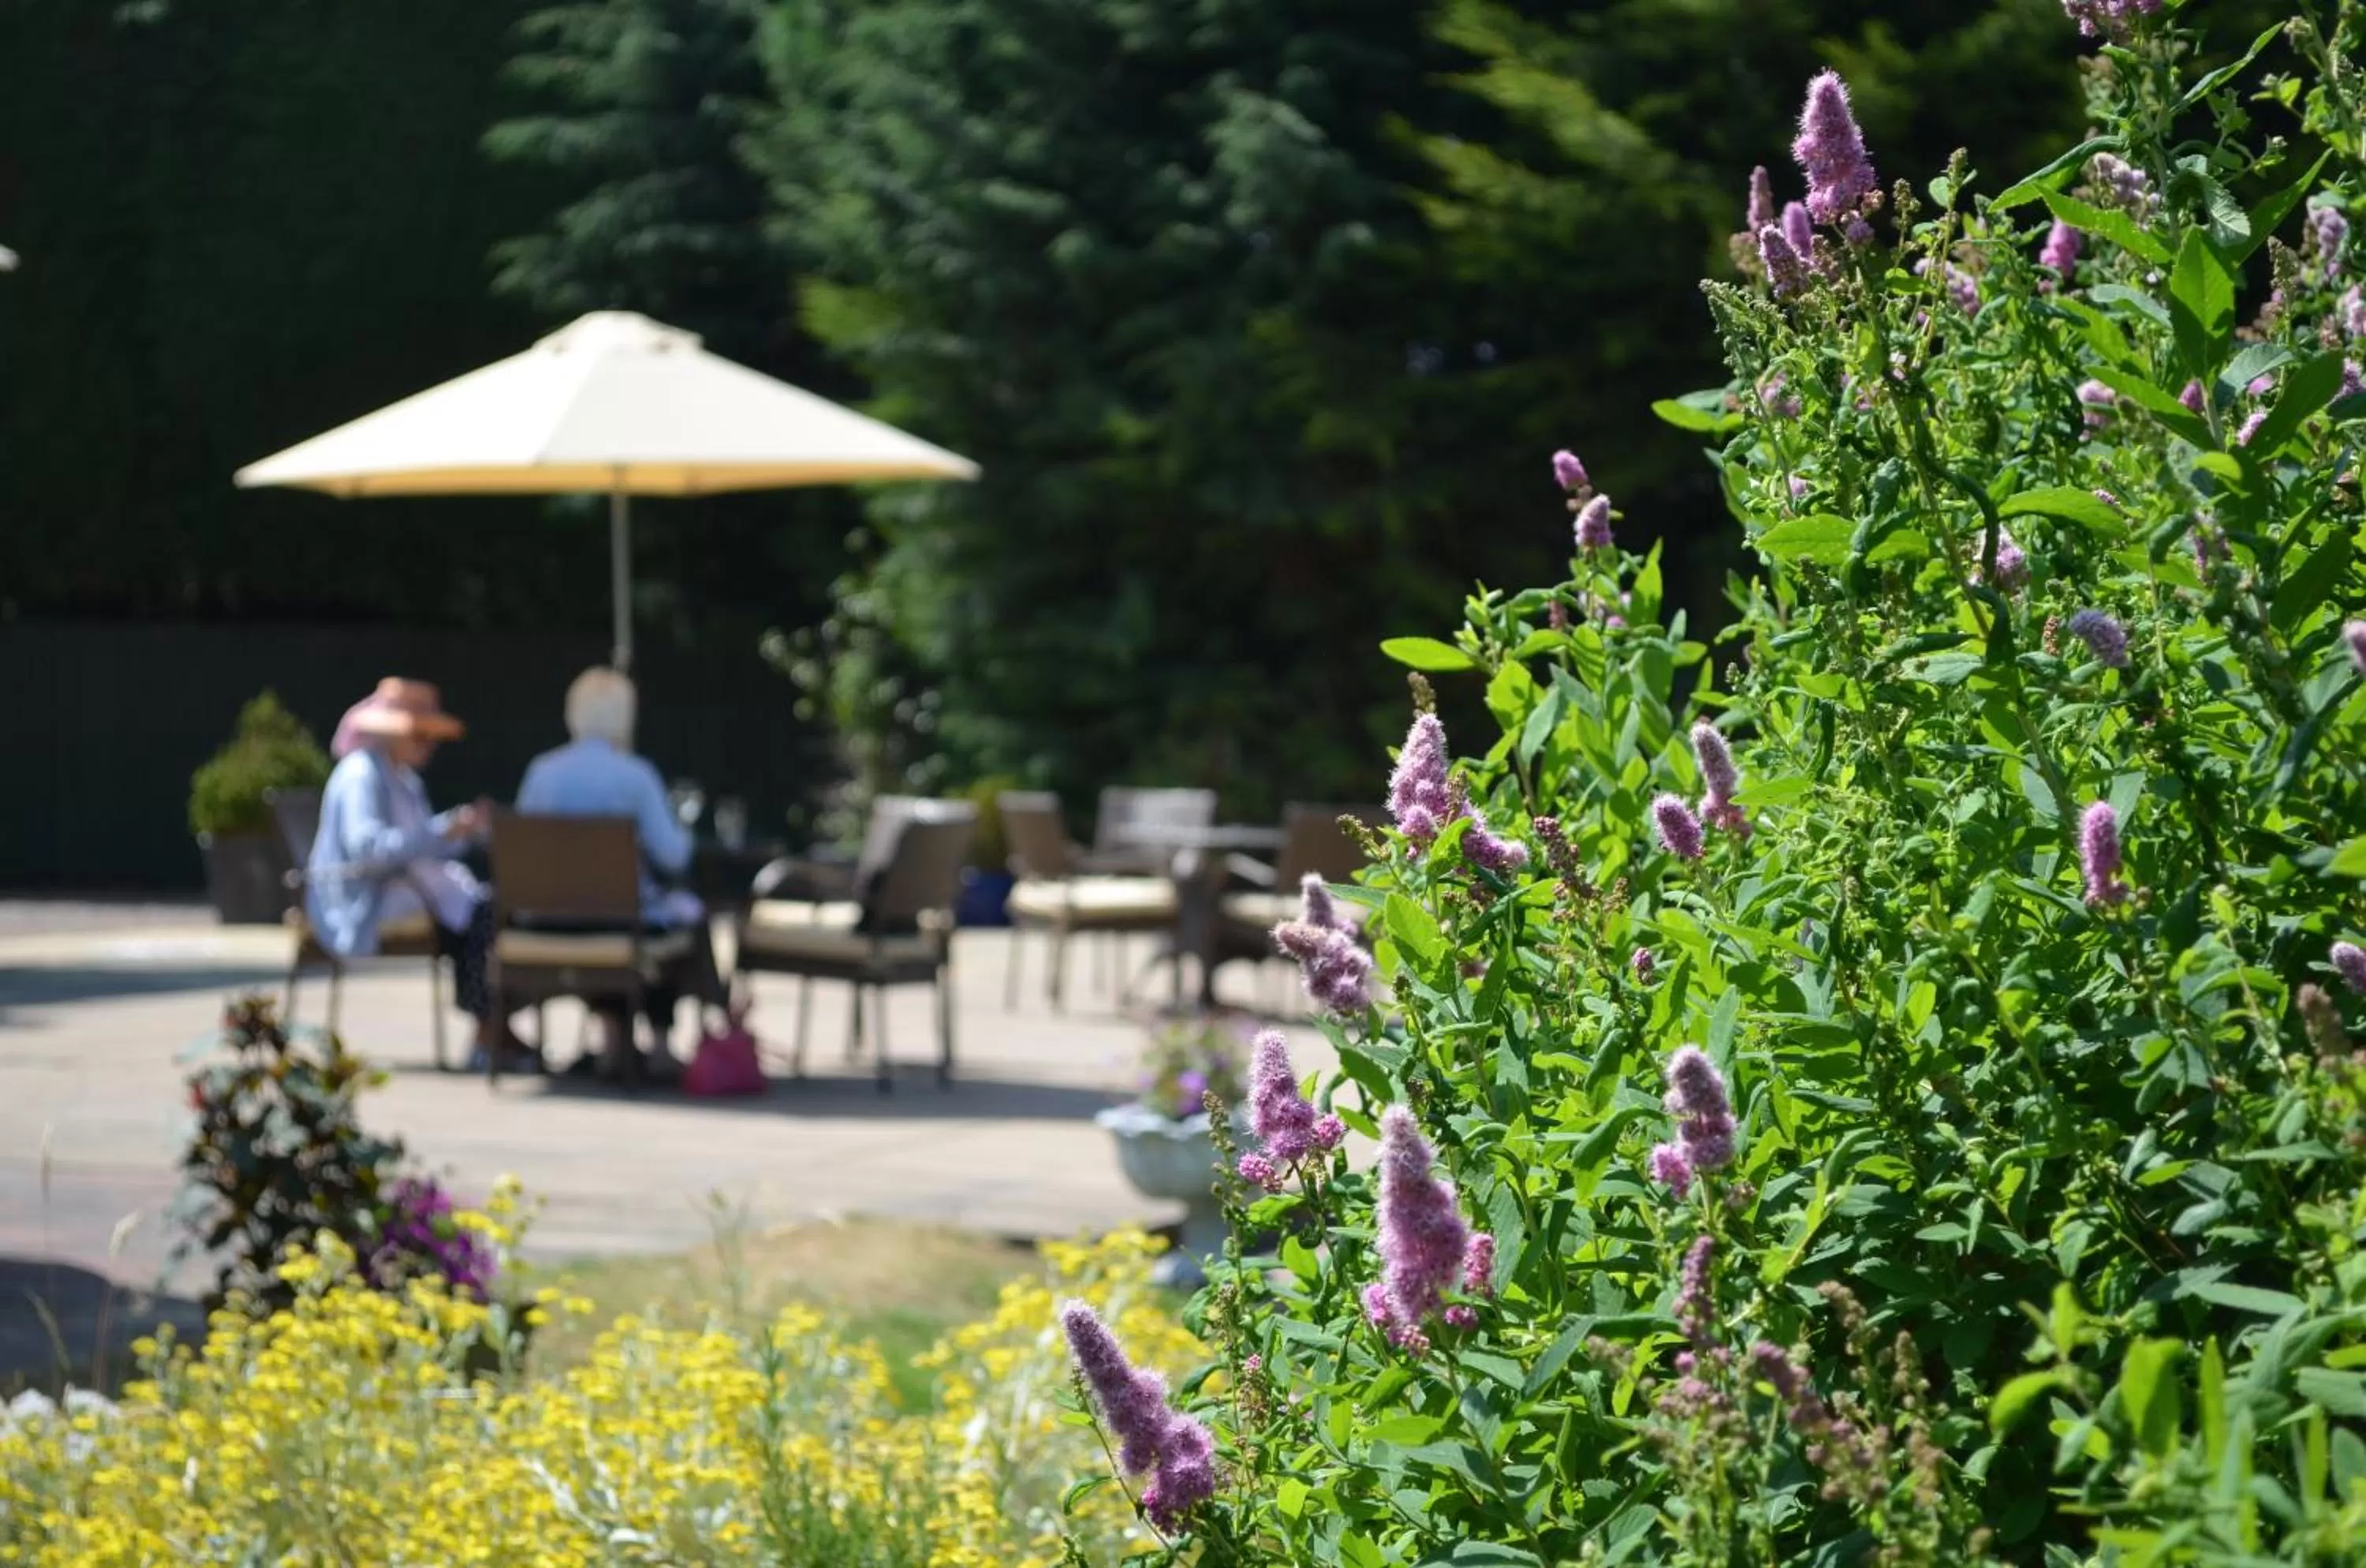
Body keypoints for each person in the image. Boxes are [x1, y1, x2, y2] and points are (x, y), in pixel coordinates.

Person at [307, 678, 529, 1070]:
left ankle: (493, 1026)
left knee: (484, 911)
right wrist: (441, 830)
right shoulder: (362, 774)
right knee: (480, 918)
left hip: (401, 890)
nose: (430, 744)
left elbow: (420, 845)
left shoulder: (403, 779)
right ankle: (488, 1030)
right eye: (420, 735)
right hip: (363, 901)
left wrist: (461, 829)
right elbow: (370, 851)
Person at [516, 666, 724, 1079]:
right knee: (680, 923)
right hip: (620, 924)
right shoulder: (635, 775)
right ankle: (662, 1045)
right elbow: (674, 856)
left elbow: (525, 847)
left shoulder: (542, 773)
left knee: (627, 918)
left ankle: (614, 1039)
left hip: (546, 921)